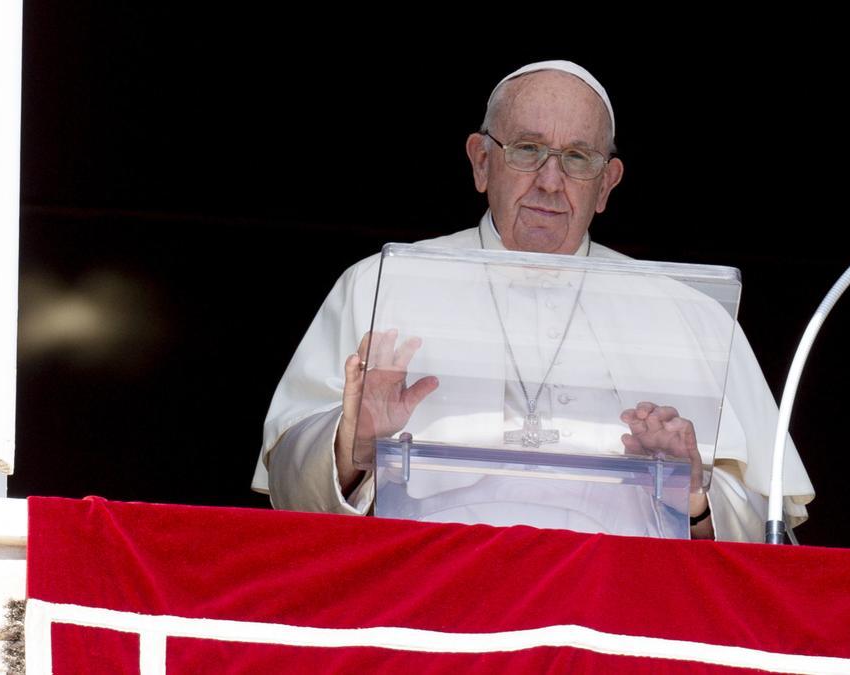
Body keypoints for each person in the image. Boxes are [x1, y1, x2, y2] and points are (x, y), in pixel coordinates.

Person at [252, 60, 814, 541]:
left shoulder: (690, 315)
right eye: (527, 150)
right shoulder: (380, 285)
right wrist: (354, 444)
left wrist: (693, 494)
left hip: (617, 606)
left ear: (608, 184)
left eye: (576, 158)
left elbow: (771, 529)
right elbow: (287, 488)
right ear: (480, 162)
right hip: (434, 595)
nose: (550, 181)